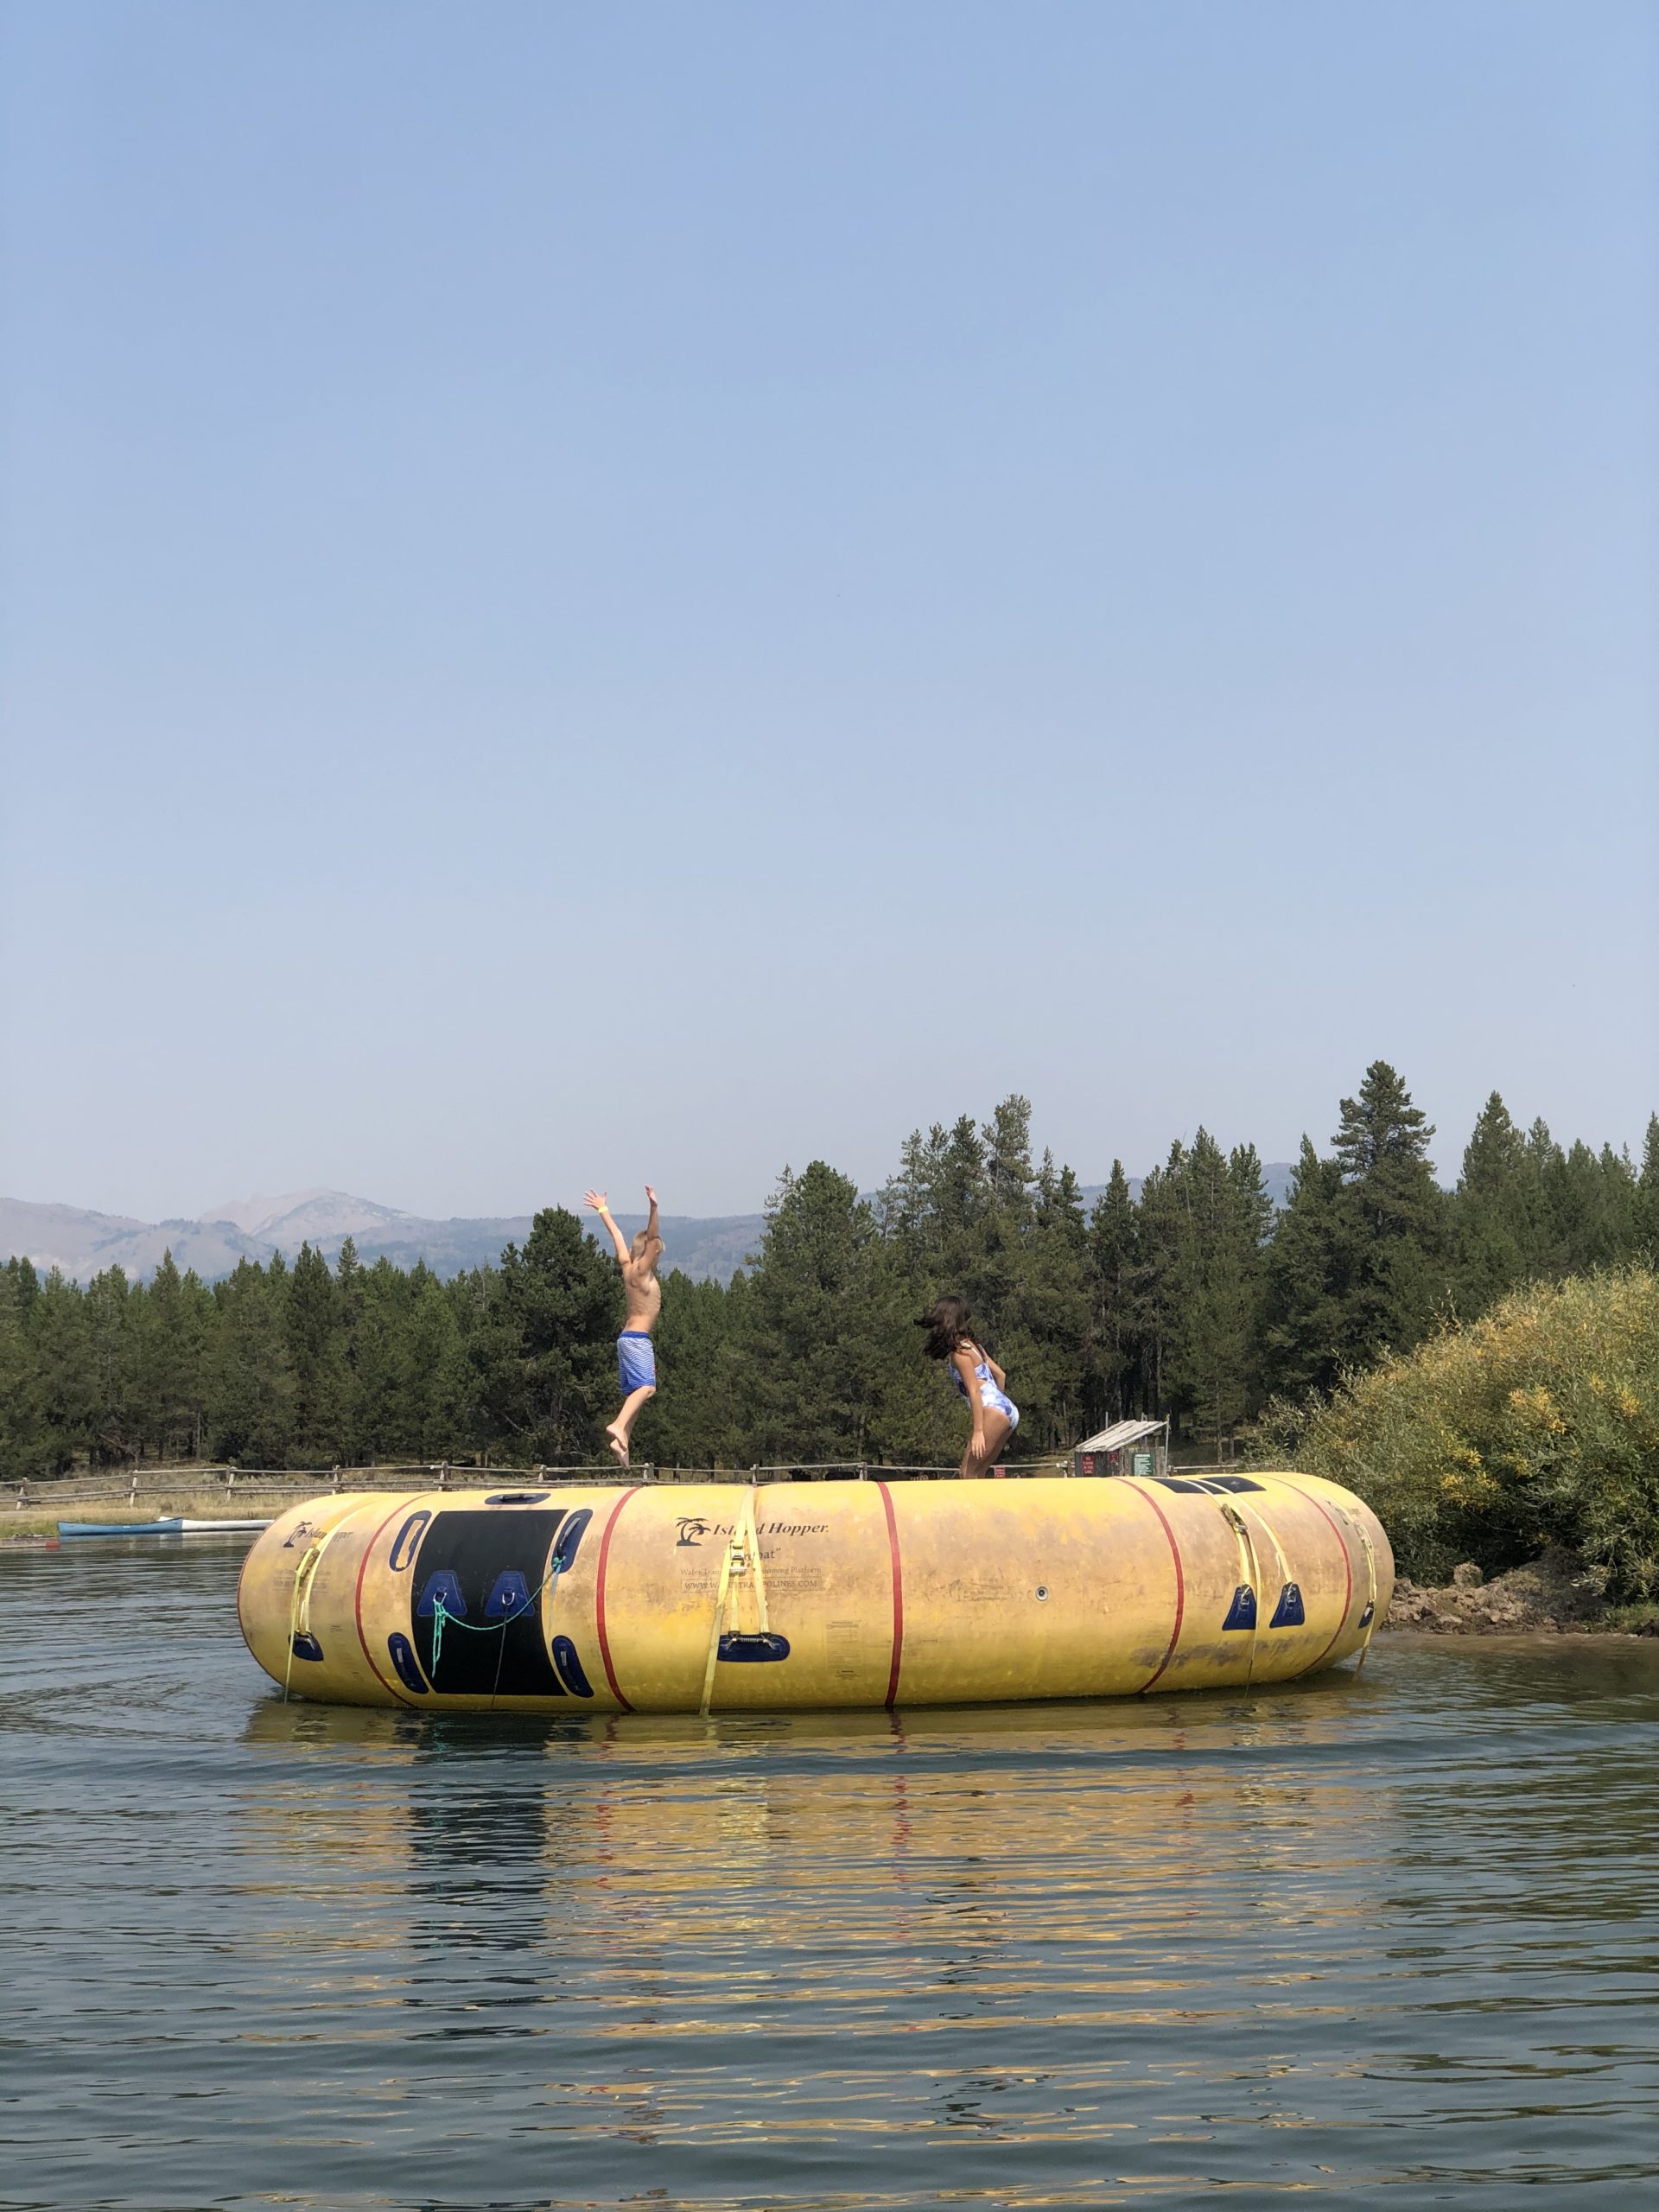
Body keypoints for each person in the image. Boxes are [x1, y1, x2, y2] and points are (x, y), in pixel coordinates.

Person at [585, 1185, 664, 1466]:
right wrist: (654, 1207)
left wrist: (602, 1208)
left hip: (627, 1339)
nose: (658, 1255)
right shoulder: (642, 1271)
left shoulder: (627, 1266)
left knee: (637, 1392)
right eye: (655, 1252)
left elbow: (616, 1235)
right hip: (638, 1339)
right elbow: (653, 1235)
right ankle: (618, 1426)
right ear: (648, 1253)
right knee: (647, 1389)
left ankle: (623, 1442)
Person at [916, 1295, 1019, 1478]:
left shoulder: (959, 1354)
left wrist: (979, 1430)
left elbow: (974, 1391)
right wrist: (1001, 1409)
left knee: (967, 1474)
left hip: (993, 1410)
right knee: (978, 1475)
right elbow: (1001, 1375)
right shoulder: (974, 1346)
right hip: (1007, 1409)